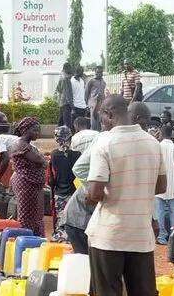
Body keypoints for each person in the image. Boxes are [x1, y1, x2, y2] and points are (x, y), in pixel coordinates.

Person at [84, 95, 166, 296]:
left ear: (108, 114)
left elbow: (95, 191)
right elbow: (161, 187)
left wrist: (91, 195)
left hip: (108, 237)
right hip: (140, 236)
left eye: (101, 114)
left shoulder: (105, 141)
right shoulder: (153, 143)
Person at [61, 104, 142, 255]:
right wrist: (94, 190)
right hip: (78, 220)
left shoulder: (128, 147)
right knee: (87, 263)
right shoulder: (105, 139)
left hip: (90, 222)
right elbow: (79, 168)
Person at [11, 117, 47, 236]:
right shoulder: (21, 144)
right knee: (26, 215)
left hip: (33, 185)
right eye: (34, 130)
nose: (37, 133)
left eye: (38, 130)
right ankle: (26, 239)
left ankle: (35, 237)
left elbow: (42, 161)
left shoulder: (29, 146)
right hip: (25, 184)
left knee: (36, 214)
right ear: (26, 130)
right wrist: (42, 160)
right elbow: (39, 160)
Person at [51, 126, 80, 242]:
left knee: (60, 218)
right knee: (73, 218)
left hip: (59, 193)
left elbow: (52, 177)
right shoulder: (77, 155)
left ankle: (60, 240)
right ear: (70, 137)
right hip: (73, 192)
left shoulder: (54, 155)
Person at [84, 65, 106, 131]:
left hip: (101, 105)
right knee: (93, 123)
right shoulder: (91, 81)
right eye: (97, 72)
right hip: (93, 105)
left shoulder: (103, 82)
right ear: (95, 72)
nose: (99, 74)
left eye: (100, 72)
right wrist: (87, 105)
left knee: (100, 123)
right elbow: (86, 93)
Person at [55, 62, 74, 128]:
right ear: (67, 68)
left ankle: (58, 136)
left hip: (61, 102)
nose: (71, 70)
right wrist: (72, 105)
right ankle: (67, 138)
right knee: (67, 124)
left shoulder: (61, 76)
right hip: (66, 103)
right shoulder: (65, 78)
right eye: (70, 69)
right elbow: (67, 94)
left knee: (61, 122)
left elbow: (58, 89)